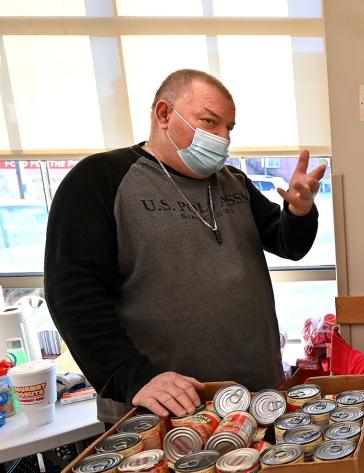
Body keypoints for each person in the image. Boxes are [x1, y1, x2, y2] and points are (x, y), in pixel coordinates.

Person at [45, 69, 326, 423]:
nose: (223, 138)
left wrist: (299, 212)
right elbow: (72, 293)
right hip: (165, 407)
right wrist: (132, 375)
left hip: (254, 396)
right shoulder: (100, 179)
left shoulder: (233, 182)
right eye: (210, 122)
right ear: (164, 114)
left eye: (229, 128)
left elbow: (287, 242)